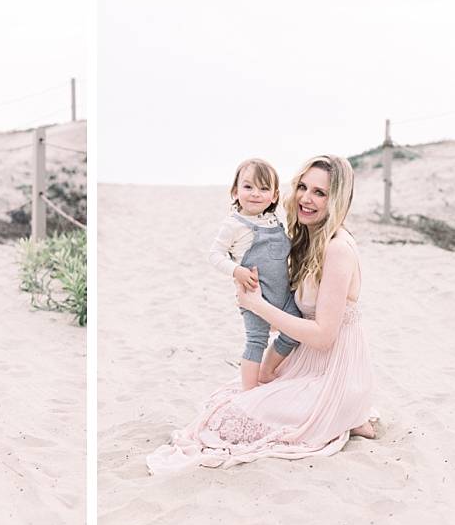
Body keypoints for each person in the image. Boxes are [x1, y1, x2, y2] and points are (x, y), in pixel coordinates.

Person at [147, 155, 374, 474]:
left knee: (231, 420)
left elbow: (324, 337)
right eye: (303, 187)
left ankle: (346, 413)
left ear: (337, 199)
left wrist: (258, 305)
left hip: (331, 370)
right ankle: (348, 416)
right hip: (305, 362)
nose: (306, 198)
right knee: (226, 403)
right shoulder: (309, 237)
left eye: (320, 193)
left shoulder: (337, 249)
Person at [207, 158, 300, 390]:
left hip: (283, 295)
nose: (256, 194)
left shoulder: (275, 221)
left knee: (295, 332)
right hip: (254, 294)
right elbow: (215, 254)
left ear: (275, 196)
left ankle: (267, 372)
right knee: (256, 341)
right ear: (235, 191)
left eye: (264, 188)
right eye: (248, 187)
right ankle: (249, 390)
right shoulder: (233, 224)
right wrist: (236, 270)